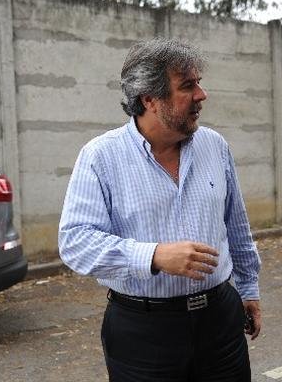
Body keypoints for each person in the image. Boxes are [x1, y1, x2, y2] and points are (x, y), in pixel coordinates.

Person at [58, 38, 261, 382]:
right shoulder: (100, 156)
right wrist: (153, 256)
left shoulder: (214, 146)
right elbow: (76, 242)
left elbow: (236, 226)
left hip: (220, 321)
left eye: (198, 83)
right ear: (149, 99)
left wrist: (248, 288)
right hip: (143, 332)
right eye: (188, 86)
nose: (202, 95)